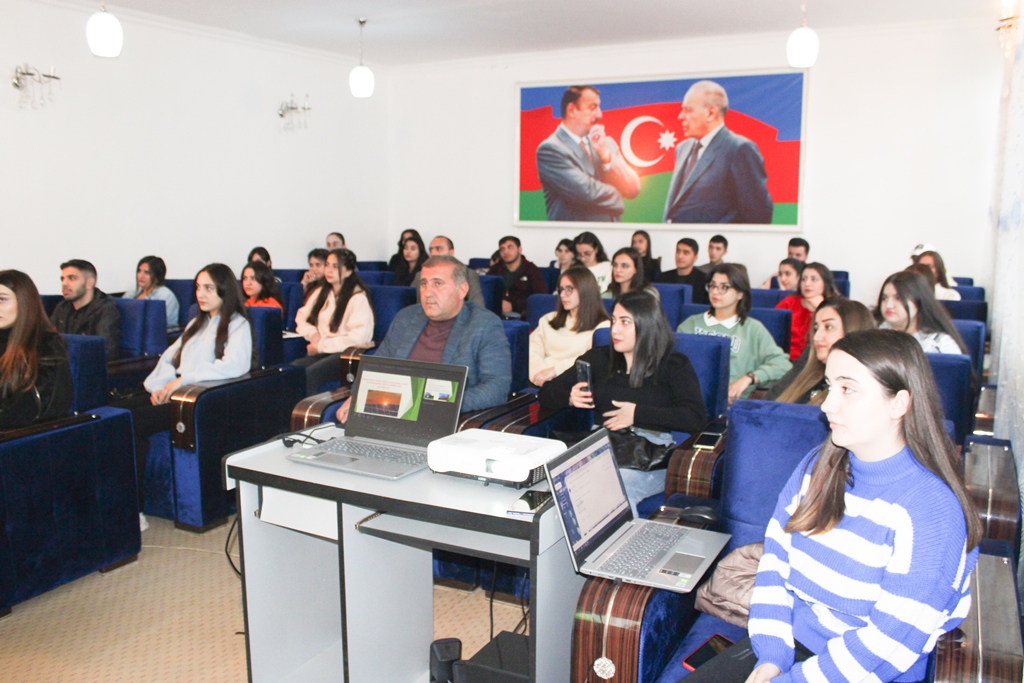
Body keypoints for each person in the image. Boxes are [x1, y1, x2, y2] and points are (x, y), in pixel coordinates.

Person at [744, 329, 981, 683]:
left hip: (868, 672)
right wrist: (771, 657)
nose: (827, 404)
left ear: (899, 403)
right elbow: (774, 564)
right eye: (829, 385)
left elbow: (887, 643)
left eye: (848, 389)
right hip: (791, 650)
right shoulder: (818, 467)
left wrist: (793, 680)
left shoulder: (930, 511)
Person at [539, 290, 706, 514]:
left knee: (613, 488)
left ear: (646, 324)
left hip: (650, 456)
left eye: (625, 322)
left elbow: (695, 417)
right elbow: (547, 392)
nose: (615, 329)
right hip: (600, 448)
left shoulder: (673, 364)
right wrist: (569, 396)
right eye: (614, 320)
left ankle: (624, 539)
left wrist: (636, 413)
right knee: (557, 484)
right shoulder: (599, 358)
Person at [123, 264, 254, 530]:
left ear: (224, 290)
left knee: (135, 423)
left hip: (199, 400)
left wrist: (182, 381)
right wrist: (159, 387)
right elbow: (170, 358)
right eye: (197, 287)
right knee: (117, 412)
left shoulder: (238, 324)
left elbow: (234, 366)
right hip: (176, 391)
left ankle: (134, 509)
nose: (200, 294)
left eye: (208, 288)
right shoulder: (197, 322)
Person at [334, 256, 511, 422]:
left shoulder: (483, 325)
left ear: (462, 290)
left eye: (438, 284)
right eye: (424, 284)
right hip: (391, 411)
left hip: (440, 420)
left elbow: (496, 387)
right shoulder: (406, 317)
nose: (427, 293)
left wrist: (441, 406)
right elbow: (376, 366)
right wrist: (356, 396)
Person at [677, 264, 791, 402]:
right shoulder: (691, 324)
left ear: (740, 294)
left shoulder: (752, 329)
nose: (715, 292)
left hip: (730, 403)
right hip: (688, 399)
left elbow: (783, 365)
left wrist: (750, 378)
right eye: (712, 286)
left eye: (724, 287)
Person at [663, 81, 772, 224]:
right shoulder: (682, 148)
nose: (680, 116)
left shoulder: (739, 149)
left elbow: (758, 215)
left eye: (688, 110)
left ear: (711, 113)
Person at [536, 85, 641, 222]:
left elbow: (633, 188)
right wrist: (619, 195)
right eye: (592, 108)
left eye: (599, 107)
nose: (599, 114)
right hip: (576, 235)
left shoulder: (606, 143)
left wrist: (605, 156)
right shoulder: (550, 149)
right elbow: (587, 192)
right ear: (571, 110)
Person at [292, 249, 375, 395]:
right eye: (327, 265)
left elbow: (359, 338)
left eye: (335, 266)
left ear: (348, 271)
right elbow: (301, 317)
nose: (329, 270)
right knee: (293, 370)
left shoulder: (358, 297)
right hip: (323, 349)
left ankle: (312, 410)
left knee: (311, 374)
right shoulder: (323, 291)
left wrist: (321, 346)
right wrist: (312, 333)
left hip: (343, 354)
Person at [0, 270, 73, 429]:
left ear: (24, 302)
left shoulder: (44, 345)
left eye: (2, 299)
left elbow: (31, 409)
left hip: (24, 434)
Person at [767, 298, 875, 404]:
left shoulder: (861, 387)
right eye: (816, 329)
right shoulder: (808, 360)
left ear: (852, 332)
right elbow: (772, 398)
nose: (816, 337)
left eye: (828, 327)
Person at [529, 266, 610, 386]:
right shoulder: (548, 319)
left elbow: (591, 360)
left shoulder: (603, 327)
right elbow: (531, 350)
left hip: (572, 384)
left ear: (585, 290)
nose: (562, 295)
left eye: (569, 289)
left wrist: (555, 371)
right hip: (539, 380)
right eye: (561, 289)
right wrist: (539, 375)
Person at [875, 270, 967, 354]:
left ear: (918, 302)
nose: (889, 305)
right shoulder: (876, 333)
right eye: (884, 298)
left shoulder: (939, 345)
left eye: (898, 298)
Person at [50, 259, 121, 361]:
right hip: (63, 364)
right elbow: (48, 339)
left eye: (72, 278)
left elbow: (106, 352)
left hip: (86, 366)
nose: (64, 283)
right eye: (62, 279)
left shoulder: (105, 309)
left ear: (89, 283)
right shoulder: (62, 307)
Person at [775, 262, 841, 361]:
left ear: (825, 283)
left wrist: (819, 308)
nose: (807, 284)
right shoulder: (789, 302)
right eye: (804, 279)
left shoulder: (834, 307)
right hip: (783, 357)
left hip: (814, 359)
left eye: (814, 279)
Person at [485, 235, 547, 316]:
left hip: (522, 314)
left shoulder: (531, 270)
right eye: (502, 249)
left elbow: (540, 298)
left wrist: (513, 306)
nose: (506, 252)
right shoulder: (495, 269)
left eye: (510, 247)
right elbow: (486, 291)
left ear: (519, 249)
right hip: (495, 312)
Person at [122, 256, 180, 332]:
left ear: (157, 276)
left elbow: (164, 324)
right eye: (139, 271)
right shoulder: (133, 291)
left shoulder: (165, 295)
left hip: (159, 334)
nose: (141, 276)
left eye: (147, 273)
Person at [426, 235, 485, 308]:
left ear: (451, 252)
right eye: (431, 250)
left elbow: (478, 306)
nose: (433, 253)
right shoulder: (420, 275)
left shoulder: (468, 274)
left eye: (439, 249)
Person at [655, 238, 709, 304]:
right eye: (678, 251)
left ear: (695, 258)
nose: (680, 256)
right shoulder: (662, 278)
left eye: (686, 253)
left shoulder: (704, 280)